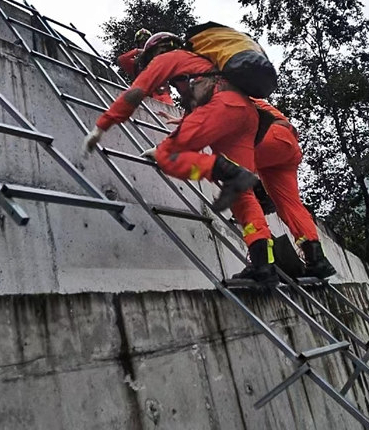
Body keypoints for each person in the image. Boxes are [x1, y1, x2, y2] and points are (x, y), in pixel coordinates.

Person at [153, 75, 278, 286]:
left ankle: (230, 172)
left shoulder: (187, 70)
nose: (175, 87)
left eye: (175, 83)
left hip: (225, 108)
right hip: (247, 117)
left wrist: (162, 149)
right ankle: (264, 264)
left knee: (169, 158)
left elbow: (200, 118)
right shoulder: (212, 70)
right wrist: (184, 119)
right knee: (244, 195)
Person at [83, 32, 226, 152]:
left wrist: (101, 127)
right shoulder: (195, 64)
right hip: (238, 107)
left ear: (155, 51)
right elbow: (200, 99)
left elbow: (135, 92)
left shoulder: (166, 59)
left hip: (215, 109)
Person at [253, 99, 337, 278]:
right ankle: (317, 260)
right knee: (289, 206)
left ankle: (258, 194)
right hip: (286, 142)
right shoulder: (245, 89)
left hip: (268, 136)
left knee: (223, 153)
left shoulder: (219, 87)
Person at [115, 29, 173, 104]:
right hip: (143, 98)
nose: (144, 45)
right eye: (142, 43)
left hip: (162, 96)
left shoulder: (160, 58)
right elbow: (121, 60)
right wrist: (138, 51)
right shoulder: (136, 64)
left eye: (146, 43)